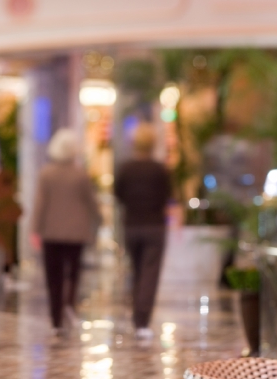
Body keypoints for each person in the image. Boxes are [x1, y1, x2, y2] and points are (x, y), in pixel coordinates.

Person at [31, 128, 100, 334]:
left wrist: (35, 229)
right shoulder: (80, 175)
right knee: (73, 273)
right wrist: (99, 220)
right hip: (76, 232)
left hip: (51, 232)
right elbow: (91, 202)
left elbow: (40, 204)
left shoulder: (46, 173)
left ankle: (56, 319)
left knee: (53, 277)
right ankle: (69, 304)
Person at [114, 123, 172, 340]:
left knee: (137, 270)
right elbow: (167, 195)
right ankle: (142, 320)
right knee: (150, 273)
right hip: (154, 225)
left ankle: (137, 315)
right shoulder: (159, 169)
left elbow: (118, 194)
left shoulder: (125, 168)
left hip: (131, 224)